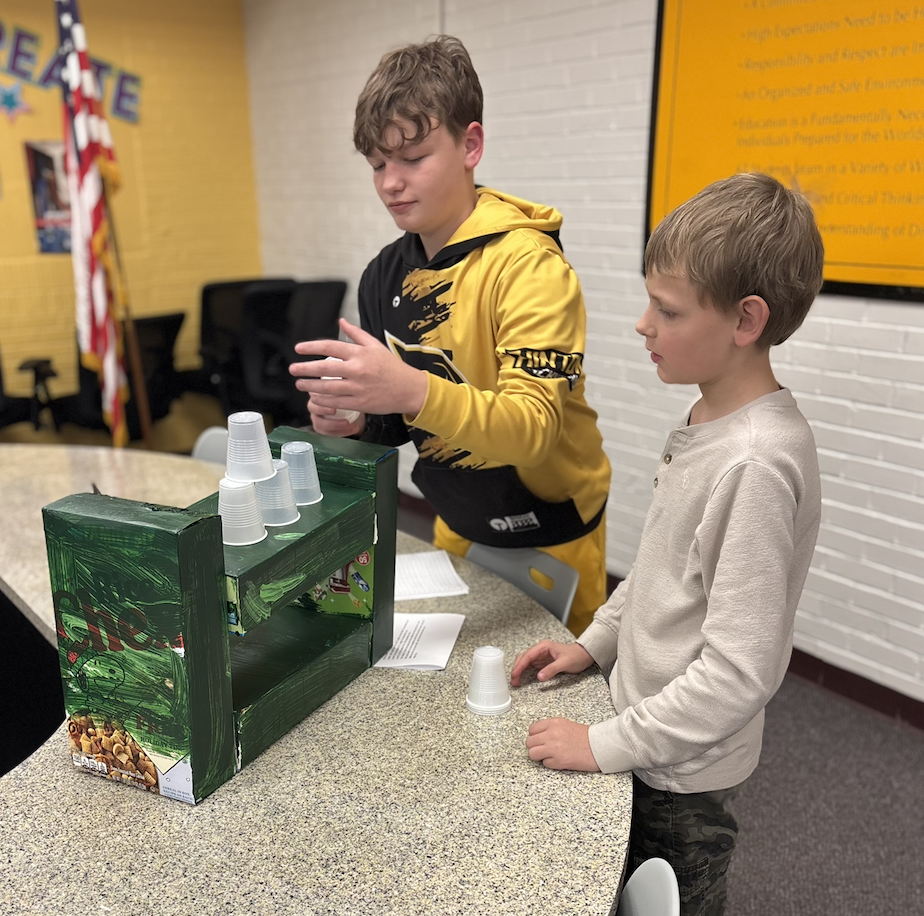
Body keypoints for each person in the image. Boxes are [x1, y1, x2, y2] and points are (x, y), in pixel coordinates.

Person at [510, 172, 825, 915]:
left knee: (673, 895)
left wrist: (605, 744)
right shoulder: (705, 418)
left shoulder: (754, 463)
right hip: (643, 729)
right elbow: (659, 570)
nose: (643, 325)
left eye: (668, 309)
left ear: (746, 320)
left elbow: (739, 675)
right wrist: (596, 644)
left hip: (680, 771)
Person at [289, 36, 611, 635]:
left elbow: (534, 430)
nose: (390, 182)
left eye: (412, 158)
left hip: (552, 530)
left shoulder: (529, 266)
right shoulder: (384, 274)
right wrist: (355, 420)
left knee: (564, 701)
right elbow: (399, 424)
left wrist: (409, 389)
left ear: (471, 145)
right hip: (458, 520)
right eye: (378, 164)